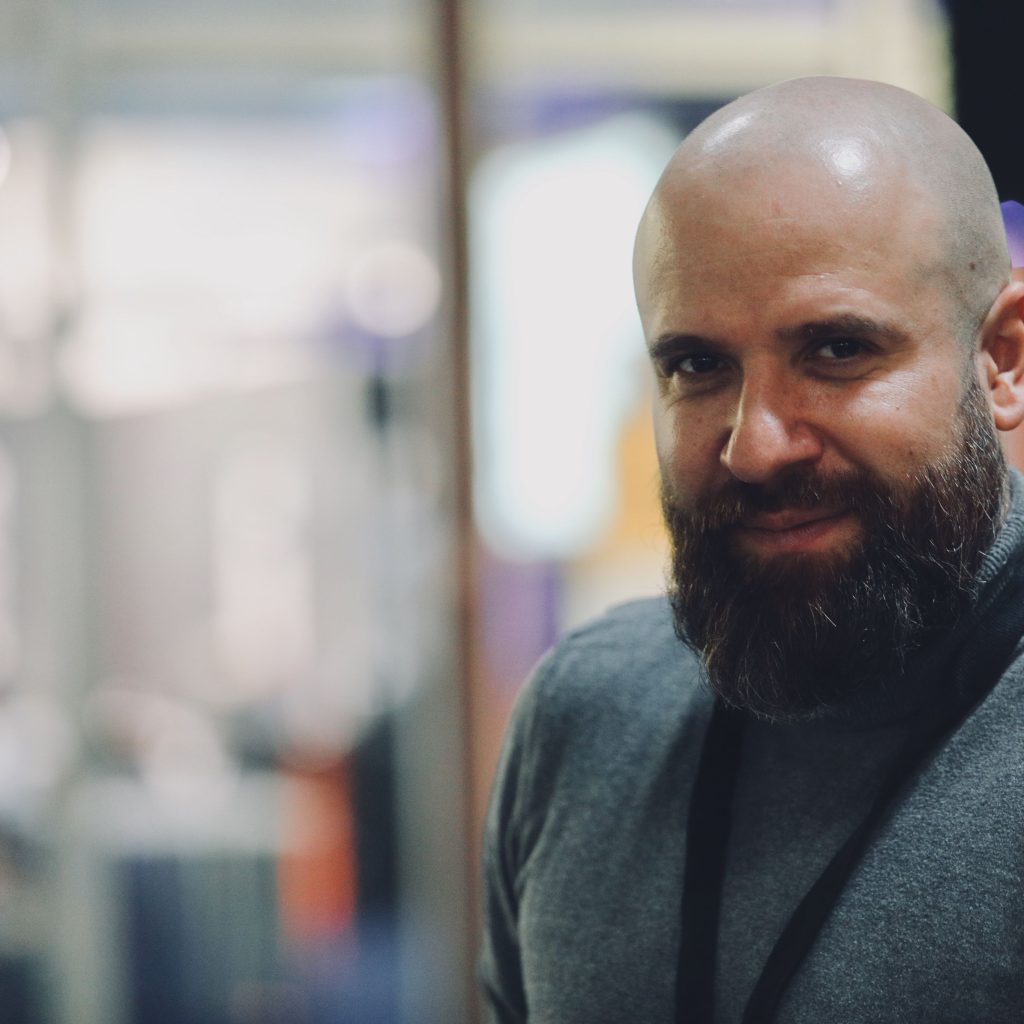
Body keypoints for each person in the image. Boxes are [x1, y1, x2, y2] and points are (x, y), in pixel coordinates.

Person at [479, 76, 1024, 1024]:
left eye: (837, 351)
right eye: (698, 366)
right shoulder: (585, 719)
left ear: (1003, 358)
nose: (756, 446)